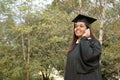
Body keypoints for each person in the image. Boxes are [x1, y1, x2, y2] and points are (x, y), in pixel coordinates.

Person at [64, 14, 102, 80]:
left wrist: (84, 38)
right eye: (76, 26)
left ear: (87, 29)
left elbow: (88, 57)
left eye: (81, 26)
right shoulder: (73, 46)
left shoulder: (94, 43)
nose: (77, 28)